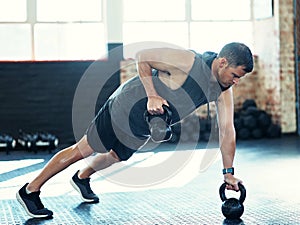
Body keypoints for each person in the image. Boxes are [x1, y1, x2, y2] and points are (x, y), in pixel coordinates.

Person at [16, 42, 254, 218]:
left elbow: (227, 130)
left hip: (148, 124)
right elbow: (143, 57)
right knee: (83, 150)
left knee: (116, 156)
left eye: (239, 78)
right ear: (223, 62)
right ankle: (30, 190)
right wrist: (152, 94)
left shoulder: (223, 90)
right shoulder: (189, 61)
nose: (236, 81)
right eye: (235, 75)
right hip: (124, 107)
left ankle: (82, 178)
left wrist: (228, 172)